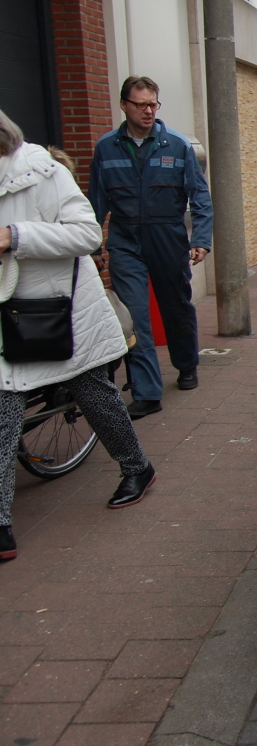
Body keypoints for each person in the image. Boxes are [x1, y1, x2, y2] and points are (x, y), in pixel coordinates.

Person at [0, 108, 157, 558]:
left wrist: (16, 236)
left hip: (59, 312)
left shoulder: (41, 172)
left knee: (93, 392)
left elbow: (87, 234)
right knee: (5, 410)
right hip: (7, 318)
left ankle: (137, 467)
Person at [88, 76, 212, 419]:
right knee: (135, 317)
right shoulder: (106, 149)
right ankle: (146, 391)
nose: (148, 110)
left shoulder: (176, 146)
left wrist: (201, 238)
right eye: (141, 104)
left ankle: (186, 364)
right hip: (125, 240)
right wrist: (92, 244)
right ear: (124, 105)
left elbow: (200, 196)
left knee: (175, 307)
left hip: (167, 237)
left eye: (153, 104)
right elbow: (95, 203)